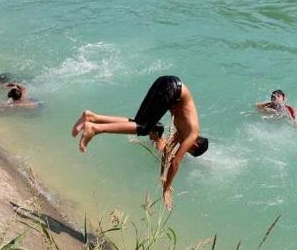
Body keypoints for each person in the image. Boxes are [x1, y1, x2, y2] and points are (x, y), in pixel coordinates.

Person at [71, 76, 208, 210]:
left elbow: (167, 151)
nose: (185, 149)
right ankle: (95, 129)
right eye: (189, 150)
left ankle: (92, 118)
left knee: (139, 124)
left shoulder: (182, 132)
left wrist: (163, 177)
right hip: (172, 89)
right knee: (143, 129)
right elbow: (176, 162)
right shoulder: (192, 133)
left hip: (166, 82)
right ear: (195, 145)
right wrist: (166, 190)